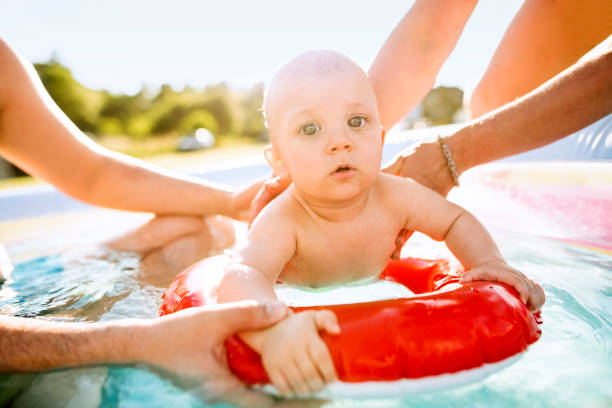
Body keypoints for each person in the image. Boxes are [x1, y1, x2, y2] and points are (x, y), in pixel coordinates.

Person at [212, 50, 545, 397]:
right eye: (310, 129)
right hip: (298, 298)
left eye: (356, 122)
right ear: (279, 161)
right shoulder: (283, 219)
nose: (340, 141)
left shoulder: (396, 196)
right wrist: (273, 331)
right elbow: (243, 274)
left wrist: (488, 262)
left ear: (381, 140)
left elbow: (455, 221)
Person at [0, 38, 294, 407]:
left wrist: (232, 201)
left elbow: (92, 173)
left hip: (19, 282)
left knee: (199, 227)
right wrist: (134, 341)